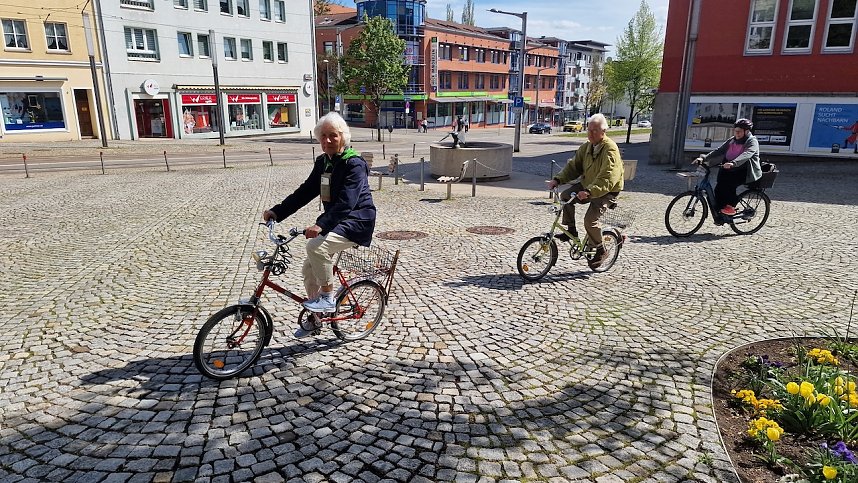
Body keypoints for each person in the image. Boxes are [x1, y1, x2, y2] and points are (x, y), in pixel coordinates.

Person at [263, 112, 376, 338]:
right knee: (308, 269)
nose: (327, 141)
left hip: (357, 221)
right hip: (336, 221)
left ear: (343, 137)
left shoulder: (354, 164)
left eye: (332, 136)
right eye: (323, 136)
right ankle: (316, 320)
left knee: (316, 246)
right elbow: (305, 192)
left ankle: (327, 297)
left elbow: (347, 202)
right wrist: (278, 211)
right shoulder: (323, 162)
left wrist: (321, 225)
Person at [546, 113, 624, 269]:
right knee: (566, 196)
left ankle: (601, 249)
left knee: (590, 221)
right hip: (588, 185)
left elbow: (608, 176)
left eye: (595, 131)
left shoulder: (610, 149)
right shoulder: (586, 147)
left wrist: (589, 191)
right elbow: (573, 167)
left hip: (606, 191)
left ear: (604, 131)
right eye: (589, 130)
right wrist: (558, 180)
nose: (590, 133)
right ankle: (572, 230)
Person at [695, 118, 761, 217]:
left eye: (739, 132)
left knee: (729, 186)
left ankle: (731, 207)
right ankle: (721, 211)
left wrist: (733, 163)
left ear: (746, 131)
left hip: (744, 170)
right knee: (719, 187)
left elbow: (747, 154)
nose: (737, 133)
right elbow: (719, 150)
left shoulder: (752, 141)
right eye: (735, 131)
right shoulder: (732, 140)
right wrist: (704, 158)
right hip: (729, 168)